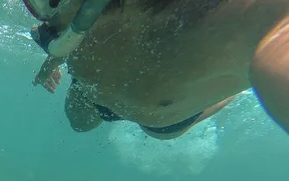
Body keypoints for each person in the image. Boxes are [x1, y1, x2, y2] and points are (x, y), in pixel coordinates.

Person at [23, 0, 289, 139]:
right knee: (78, 124)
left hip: (166, 120)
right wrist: (51, 63)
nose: (47, 14)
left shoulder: (259, 14)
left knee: (161, 135)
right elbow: (64, 33)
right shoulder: (71, 8)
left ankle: (229, 95)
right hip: (92, 91)